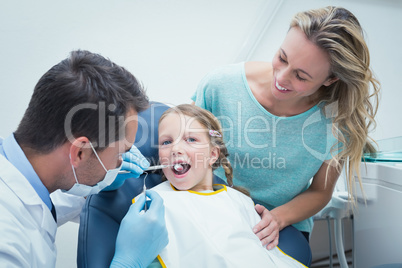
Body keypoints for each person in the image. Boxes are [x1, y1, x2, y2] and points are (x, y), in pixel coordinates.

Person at [192, 6, 380, 250]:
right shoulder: (219, 86)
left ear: (330, 79)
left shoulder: (337, 122)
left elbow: (320, 191)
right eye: (282, 57)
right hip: (212, 203)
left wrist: (278, 218)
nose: (281, 78)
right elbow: (187, 148)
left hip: (283, 222)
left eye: (301, 76)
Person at [0, 50, 168, 267]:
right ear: (80, 152)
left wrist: (97, 187)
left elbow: (41, 209)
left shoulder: (25, 185)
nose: (121, 162)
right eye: (120, 153)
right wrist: (128, 262)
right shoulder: (7, 243)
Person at [135, 104, 306, 267]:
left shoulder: (240, 202)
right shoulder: (153, 204)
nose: (175, 149)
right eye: (166, 142)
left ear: (212, 154)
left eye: (191, 139)